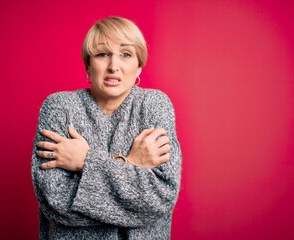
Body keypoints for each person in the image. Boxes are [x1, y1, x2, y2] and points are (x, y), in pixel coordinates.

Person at [31, 16, 182, 240]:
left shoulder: (154, 105)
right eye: (102, 54)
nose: (114, 66)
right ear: (88, 66)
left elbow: (160, 198)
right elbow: (55, 202)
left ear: (139, 66)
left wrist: (85, 161)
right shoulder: (59, 107)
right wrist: (130, 164)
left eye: (126, 54)